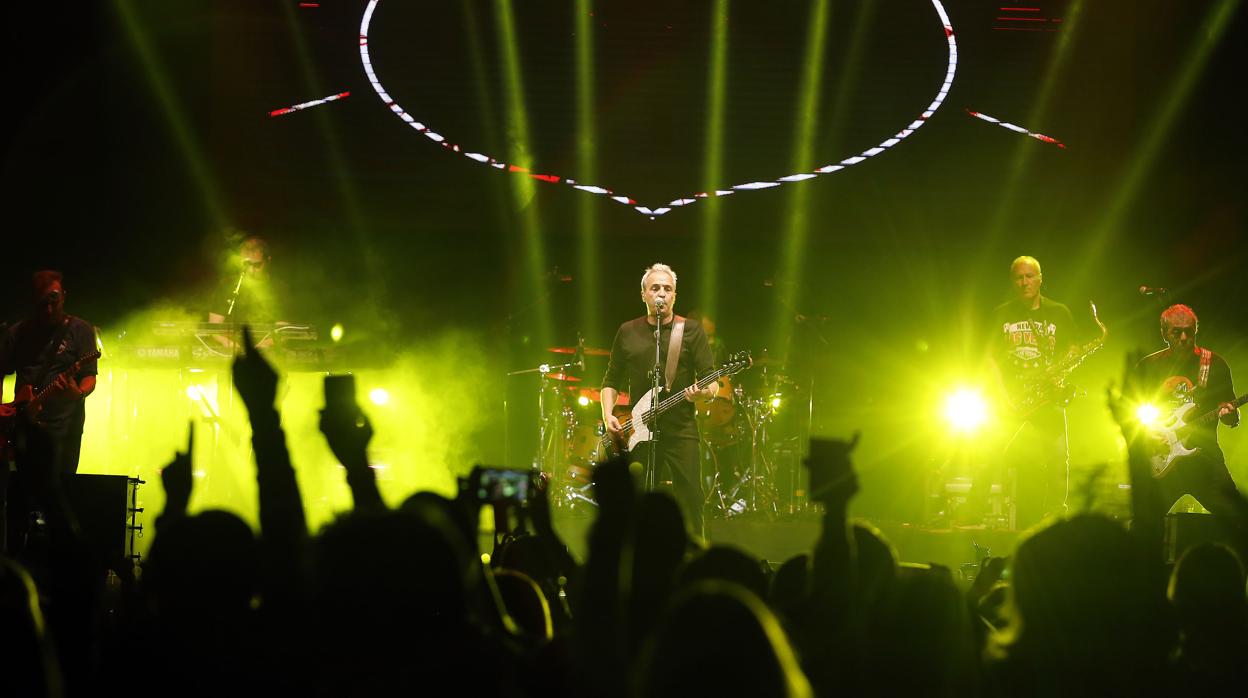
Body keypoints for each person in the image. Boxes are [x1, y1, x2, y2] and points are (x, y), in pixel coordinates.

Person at [961, 256, 1081, 529]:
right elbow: (989, 357)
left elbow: (1072, 351)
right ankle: (974, 508)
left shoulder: (1059, 312)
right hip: (1011, 395)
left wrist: (1061, 375)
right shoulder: (1001, 313)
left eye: (1030, 276)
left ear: (1040, 278)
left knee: (1058, 458)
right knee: (989, 450)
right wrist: (1001, 394)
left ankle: (1055, 515)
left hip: (1047, 394)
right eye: (1019, 277)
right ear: (1012, 281)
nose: (1025, 282)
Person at [601, 263, 717, 535]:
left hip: (681, 429)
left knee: (690, 497)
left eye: (668, 289)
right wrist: (608, 415)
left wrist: (703, 394)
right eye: (655, 288)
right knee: (635, 498)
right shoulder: (627, 331)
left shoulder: (691, 331)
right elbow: (611, 380)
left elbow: (711, 381)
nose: (661, 293)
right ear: (643, 294)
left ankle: (692, 555)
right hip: (639, 429)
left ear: (675, 295)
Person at [1130, 304, 1248, 534]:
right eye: (1176, 332)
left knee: (1237, 518)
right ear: (1164, 333)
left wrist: (1231, 414)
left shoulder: (1213, 364)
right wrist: (1148, 435)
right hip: (1160, 459)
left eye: (1189, 331)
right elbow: (1129, 412)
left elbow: (1230, 418)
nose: (1184, 337)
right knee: (1143, 526)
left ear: (1196, 330)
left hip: (1203, 458)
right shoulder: (1148, 366)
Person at [0, 271, 98, 474]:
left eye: (54, 301)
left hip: (65, 429)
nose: (49, 309)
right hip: (24, 426)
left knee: (61, 486)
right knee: (24, 489)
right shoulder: (17, 333)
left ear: (64, 296)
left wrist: (78, 393)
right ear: (34, 300)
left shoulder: (81, 330)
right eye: (43, 303)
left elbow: (89, 376)